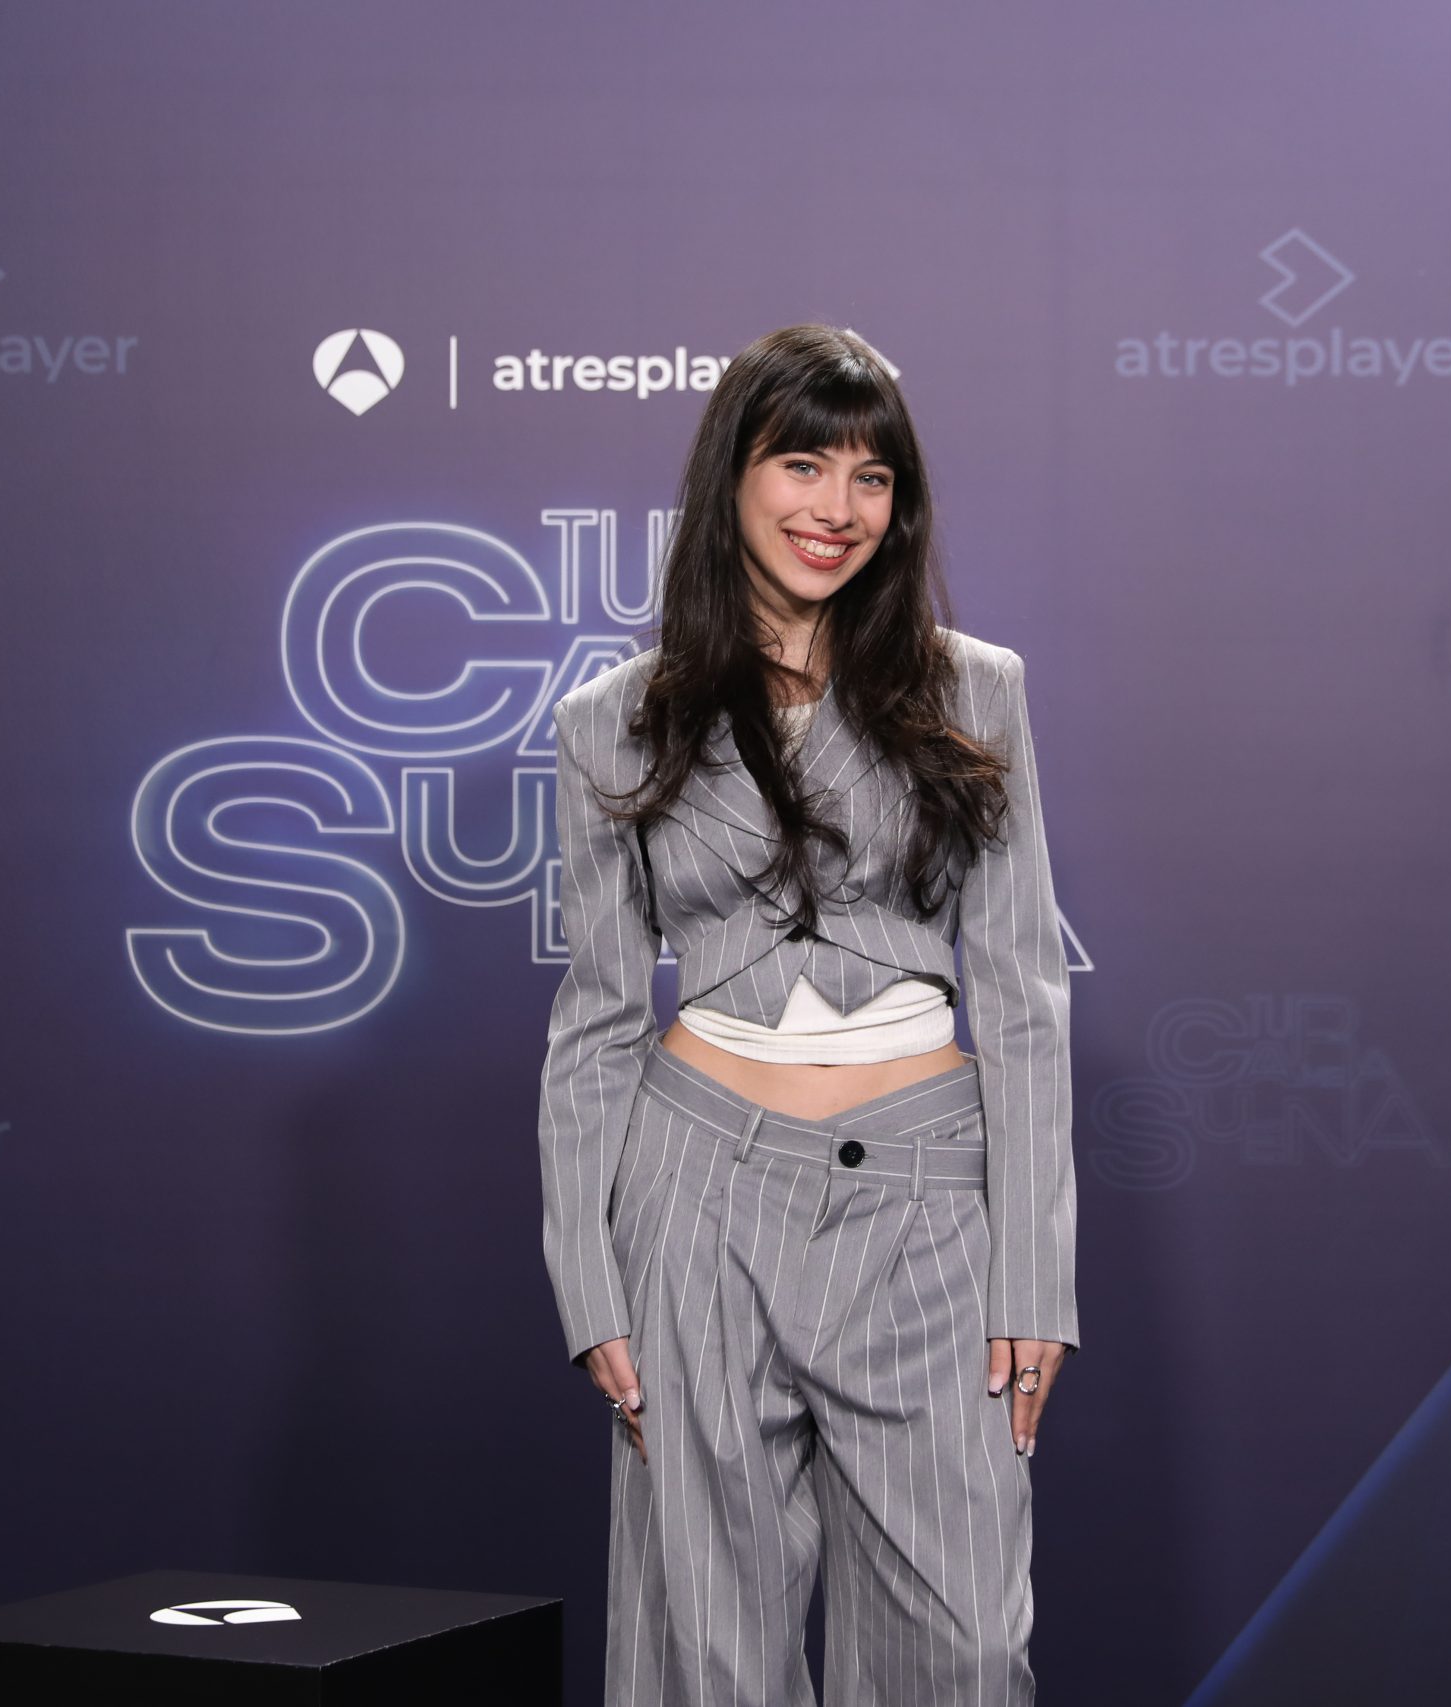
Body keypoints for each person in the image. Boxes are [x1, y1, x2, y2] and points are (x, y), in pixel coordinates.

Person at [538, 323, 1078, 1705]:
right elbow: (596, 1020)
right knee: (704, 1658)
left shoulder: (976, 690)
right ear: (731, 476)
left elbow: (1022, 991)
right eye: (802, 465)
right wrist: (586, 1280)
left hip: (924, 1200)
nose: (838, 508)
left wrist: (1036, 1279)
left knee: (966, 1652)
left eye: (872, 477)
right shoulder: (613, 720)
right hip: (693, 1198)